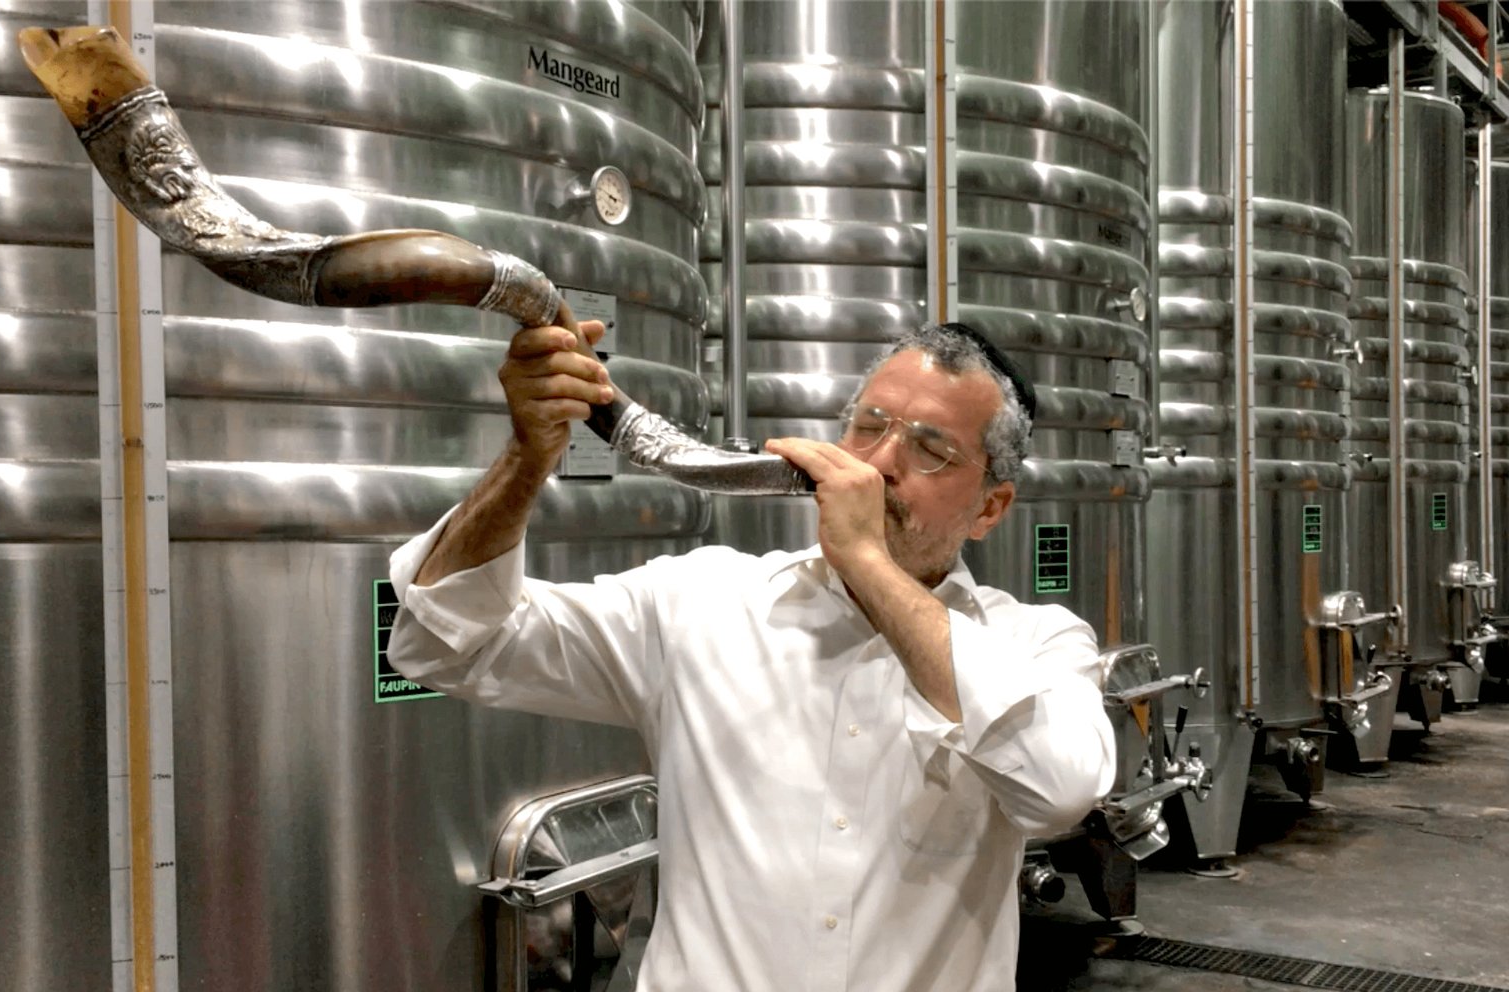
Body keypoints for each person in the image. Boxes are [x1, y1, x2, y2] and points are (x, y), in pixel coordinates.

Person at [386, 319, 1115, 992]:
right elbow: (450, 642)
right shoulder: (702, 601)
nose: (882, 464)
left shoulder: (1036, 643)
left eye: (931, 450)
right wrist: (525, 459)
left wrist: (867, 561)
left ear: (989, 507)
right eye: (869, 427)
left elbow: (1058, 789)